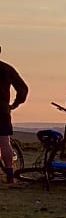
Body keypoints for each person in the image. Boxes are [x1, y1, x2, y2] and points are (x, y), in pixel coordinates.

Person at [1, 46, 29, 183]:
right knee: (4, 142)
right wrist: (15, 104)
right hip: (2, 110)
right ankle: (10, 174)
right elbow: (23, 89)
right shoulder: (7, 69)